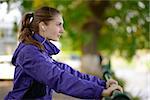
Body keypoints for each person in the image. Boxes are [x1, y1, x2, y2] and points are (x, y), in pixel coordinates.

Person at [5, 6, 122, 100]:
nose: (62, 30)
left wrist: (102, 84)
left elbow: (66, 71)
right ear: (43, 26)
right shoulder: (29, 53)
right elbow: (58, 78)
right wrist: (99, 92)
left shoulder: (39, 51)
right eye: (59, 24)